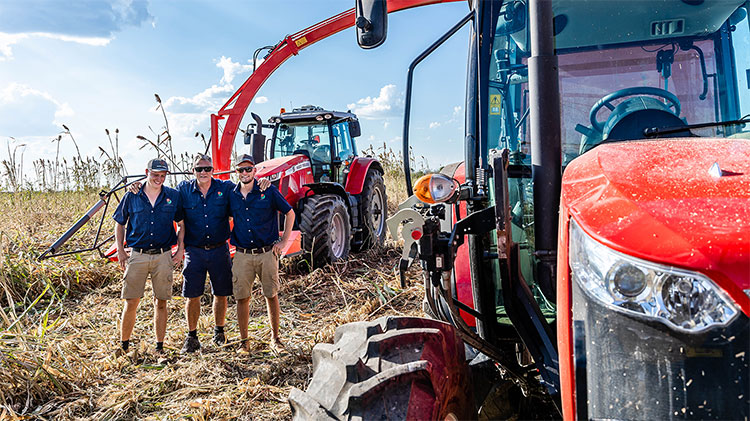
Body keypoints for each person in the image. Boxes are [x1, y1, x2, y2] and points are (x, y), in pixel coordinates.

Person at [128, 153, 270, 354]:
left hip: (220, 249)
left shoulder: (226, 188)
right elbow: (159, 195)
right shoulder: (183, 191)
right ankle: (192, 336)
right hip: (193, 251)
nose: (203, 172)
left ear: (213, 170)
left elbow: (246, 187)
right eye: (199, 169)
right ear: (192, 171)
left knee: (221, 293)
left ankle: (219, 331)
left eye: (207, 169)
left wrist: (262, 182)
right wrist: (137, 186)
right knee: (192, 294)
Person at [113, 158, 184, 355]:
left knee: (161, 302)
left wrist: (180, 249)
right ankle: (124, 346)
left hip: (163, 256)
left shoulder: (173, 196)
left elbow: (181, 224)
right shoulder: (132, 196)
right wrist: (120, 250)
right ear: (147, 172)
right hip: (138, 255)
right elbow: (120, 224)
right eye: (155, 174)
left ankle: (159, 347)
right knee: (131, 301)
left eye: (162, 175)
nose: (158, 179)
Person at [229, 154, 294, 352]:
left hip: (267, 253)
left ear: (255, 171)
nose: (245, 173)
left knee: (271, 295)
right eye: (241, 170)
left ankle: (276, 339)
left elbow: (289, 213)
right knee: (242, 298)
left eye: (248, 169)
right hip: (242, 255)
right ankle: (244, 342)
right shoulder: (231, 194)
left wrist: (283, 241)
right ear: (236, 172)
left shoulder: (268, 190)